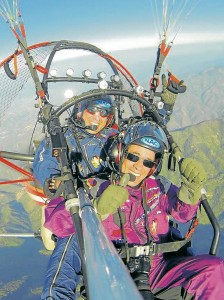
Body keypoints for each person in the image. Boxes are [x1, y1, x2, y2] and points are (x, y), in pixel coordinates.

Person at [93, 120, 224, 300]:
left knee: (214, 269)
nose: (139, 166)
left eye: (148, 162)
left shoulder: (158, 186)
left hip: (158, 269)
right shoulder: (97, 188)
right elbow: (60, 225)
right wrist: (96, 211)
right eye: (133, 157)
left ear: (154, 167)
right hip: (113, 273)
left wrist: (190, 190)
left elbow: (182, 214)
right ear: (119, 154)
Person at [32, 95, 118, 299]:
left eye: (104, 113)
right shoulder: (62, 140)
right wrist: (56, 180)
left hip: (114, 209)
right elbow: (46, 165)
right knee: (72, 245)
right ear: (79, 112)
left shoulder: (114, 139)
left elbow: (142, 150)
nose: (98, 117)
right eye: (93, 111)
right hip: (78, 213)